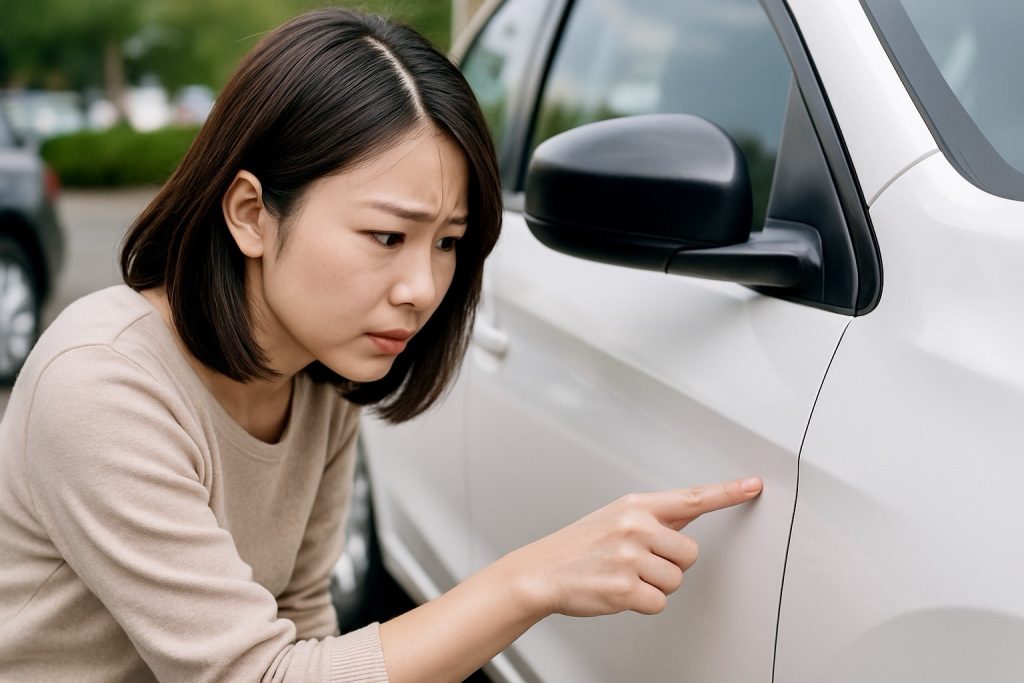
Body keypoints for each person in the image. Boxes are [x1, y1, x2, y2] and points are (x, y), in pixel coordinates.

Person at [0, 8, 763, 682]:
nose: (423, 288)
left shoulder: (314, 376)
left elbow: (300, 618)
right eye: (388, 235)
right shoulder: (101, 385)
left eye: (448, 243)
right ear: (250, 214)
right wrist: (532, 579)